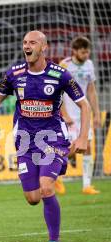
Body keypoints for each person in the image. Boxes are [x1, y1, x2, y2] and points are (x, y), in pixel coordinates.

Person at [0, 31, 91, 242]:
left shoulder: (60, 74)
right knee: (33, 198)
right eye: (24, 42)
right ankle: (65, 157)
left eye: (32, 42)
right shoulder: (14, 73)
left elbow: (85, 105)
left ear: (44, 47)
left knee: (46, 187)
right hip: (25, 140)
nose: (27, 46)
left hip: (52, 137)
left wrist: (82, 137)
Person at [55, 36, 101, 195]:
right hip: (69, 114)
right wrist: (64, 113)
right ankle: (55, 175)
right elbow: (57, 92)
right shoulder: (65, 65)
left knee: (87, 147)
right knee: (72, 147)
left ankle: (87, 186)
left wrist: (96, 114)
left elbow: (91, 90)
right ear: (74, 51)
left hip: (84, 113)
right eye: (83, 52)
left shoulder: (89, 65)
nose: (86, 54)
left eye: (88, 51)